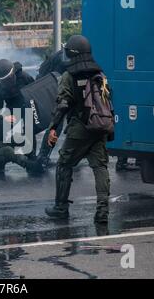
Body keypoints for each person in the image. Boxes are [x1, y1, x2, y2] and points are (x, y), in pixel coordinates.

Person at [45, 35, 113, 223]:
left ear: (71, 53)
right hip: (99, 126)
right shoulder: (99, 73)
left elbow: (62, 104)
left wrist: (53, 128)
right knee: (100, 167)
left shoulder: (69, 76)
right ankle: (102, 212)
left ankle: (61, 208)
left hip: (79, 129)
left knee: (64, 164)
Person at [36, 50, 68, 170]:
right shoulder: (65, 60)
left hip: (50, 89)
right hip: (54, 91)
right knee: (57, 125)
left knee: (58, 124)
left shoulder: (61, 55)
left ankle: (43, 156)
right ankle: (43, 156)